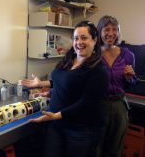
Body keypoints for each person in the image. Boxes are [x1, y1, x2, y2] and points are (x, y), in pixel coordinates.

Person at [22, 21, 108, 157]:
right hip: (57, 124)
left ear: (95, 40)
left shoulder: (98, 70)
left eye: (84, 38)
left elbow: (86, 104)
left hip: (81, 129)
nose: (79, 42)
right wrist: (41, 83)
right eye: (76, 38)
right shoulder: (70, 58)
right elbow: (63, 82)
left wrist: (56, 115)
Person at [95, 15, 137, 157]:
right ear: (100, 31)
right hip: (98, 105)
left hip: (119, 105)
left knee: (115, 150)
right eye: (107, 29)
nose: (111, 33)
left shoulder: (128, 55)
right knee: (96, 148)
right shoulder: (92, 54)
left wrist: (129, 79)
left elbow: (130, 84)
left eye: (115, 29)